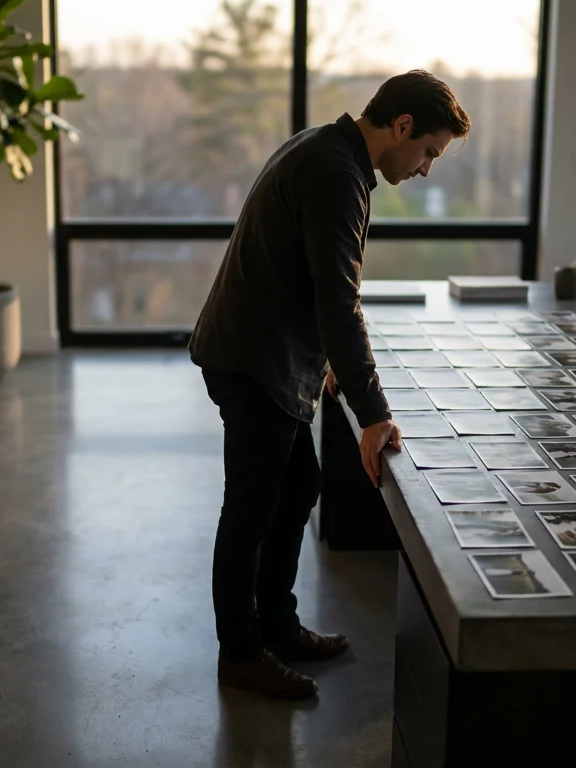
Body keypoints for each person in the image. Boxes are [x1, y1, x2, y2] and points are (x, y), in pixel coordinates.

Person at [188, 70, 471, 700]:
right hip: (254, 360)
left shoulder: (327, 148)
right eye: (428, 151)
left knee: (298, 489)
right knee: (251, 511)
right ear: (402, 127)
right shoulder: (335, 172)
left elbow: (308, 278)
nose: (427, 168)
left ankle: (277, 627)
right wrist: (374, 414)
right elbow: (339, 301)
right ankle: (240, 653)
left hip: (263, 352)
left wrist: (334, 365)